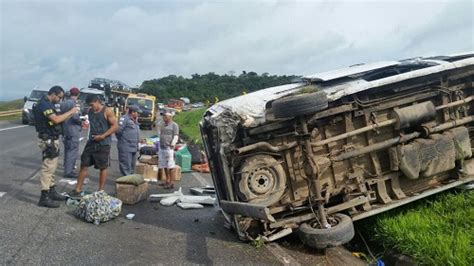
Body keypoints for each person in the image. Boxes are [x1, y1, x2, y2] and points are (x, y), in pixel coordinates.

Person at [33, 85, 80, 208]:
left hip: (52, 138)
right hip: (48, 139)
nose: (59, 100)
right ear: (53, 93)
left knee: (52, 168)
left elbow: (58, 118)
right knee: (48, 169)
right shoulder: (44, 104)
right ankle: (44, 197)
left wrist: (69, 115)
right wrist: (71, 111)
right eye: (59, 97)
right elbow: (55, 119)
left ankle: (52, 191)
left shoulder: (49, 104)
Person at [70, 94, 118, 196]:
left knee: (103, 167)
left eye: (92, 105)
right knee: (84, 164)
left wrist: (103, 136)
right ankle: (77, 189)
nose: (91, 107)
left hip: (103, 143)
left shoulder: (107, 111)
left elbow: (115, 126)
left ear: (97, 101)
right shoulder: (90, 111)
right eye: (89, 106)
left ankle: (100, 191)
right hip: (91, 142)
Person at [60, 87, 83, 179]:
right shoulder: (74, 104)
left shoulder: (64, 103)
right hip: (73, 129)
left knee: (67, 150)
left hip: (65, 129)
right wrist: (82, 120)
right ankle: (69, 171)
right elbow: (76, 117)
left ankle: (67, 167)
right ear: (78, 94)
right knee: (72, 151)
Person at [116, 105, 142, 176]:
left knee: (132, 165)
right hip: (125, 146)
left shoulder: (135, 120)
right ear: (133, 112)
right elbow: (118, 131)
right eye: (137, 113)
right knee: (125, 164)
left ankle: (130, 180)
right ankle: (126, 181)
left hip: (134, 147)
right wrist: (123, 140)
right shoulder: (124, 118)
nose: (139, 114)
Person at [158, 112, 179, 189]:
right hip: (162, 146)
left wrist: (173, 144)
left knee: (170, 166)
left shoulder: (174, 125)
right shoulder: (162, 124)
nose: (164, 118)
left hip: (169, 148)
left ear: (170, 117)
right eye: (163, 117)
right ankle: (167, 180)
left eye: (165, 117)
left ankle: (171, 182)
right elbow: (160, 133)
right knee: (164, 165)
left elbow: (176, 136)